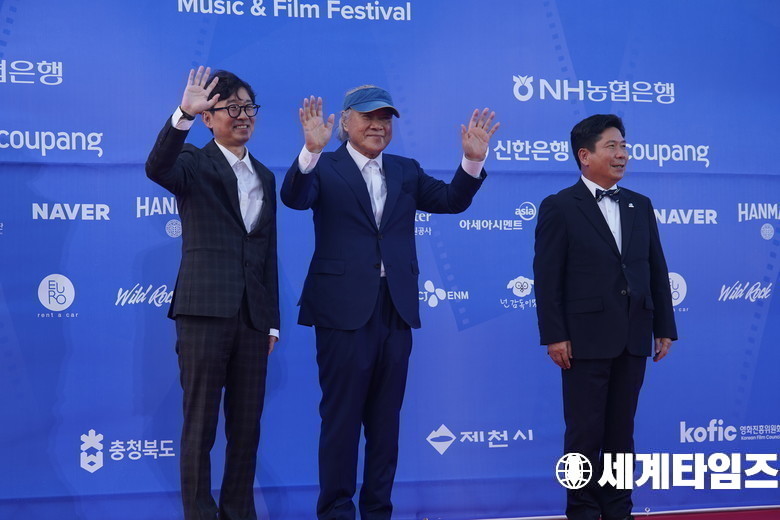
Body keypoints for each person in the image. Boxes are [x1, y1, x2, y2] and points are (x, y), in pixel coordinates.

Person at [281, 86, 498, 520]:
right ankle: (337, 512)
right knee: (341, 420)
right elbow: (294, 198)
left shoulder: (405, 170)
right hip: (342, 311)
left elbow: (451, 201)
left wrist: (472, 161)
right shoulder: (326, 165)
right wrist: (310, 151)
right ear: (346, 122)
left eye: (385, 118)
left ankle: (378, 511)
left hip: (395, 309)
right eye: (368, 117)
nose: (378, 125)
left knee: (385, 422)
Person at [145, 66, 280, 520]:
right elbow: (156, 167)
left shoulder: (265, 175)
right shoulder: (192, 162)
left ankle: (238, 512)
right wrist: (182, 113)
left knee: (246, 429)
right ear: (209, 117)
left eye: (248, 107)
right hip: (204, 311)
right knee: (200, 424)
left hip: (253, 319)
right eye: (231, 108)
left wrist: (272, 321)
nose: (243, 115)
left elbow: (267, 253)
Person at [533, 114, 678, 520]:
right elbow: (547, 277)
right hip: (583, 340)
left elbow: (656, 269)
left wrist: (664, 326)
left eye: (624, 146)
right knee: (583, 434)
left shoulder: (639, 204)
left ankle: (618, 510)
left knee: (621, 433)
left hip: (633, 334)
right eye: (612, 146)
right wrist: (554, 335)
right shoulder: (560, 206)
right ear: (585, 155)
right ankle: (581, 511)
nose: (621, 154)